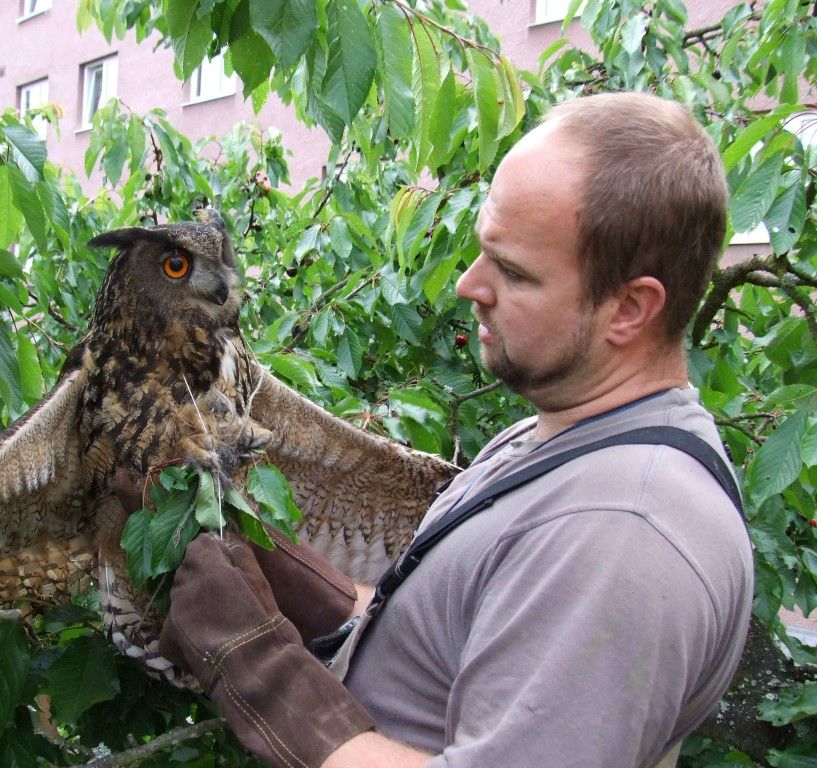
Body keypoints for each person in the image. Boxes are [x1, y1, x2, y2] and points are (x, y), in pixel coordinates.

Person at [153, 91, 754, 768]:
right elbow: (456, 635)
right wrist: (302, 587)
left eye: (514, 272)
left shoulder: (617, 533)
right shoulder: (565, 436)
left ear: (630, 308)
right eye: (481, 252)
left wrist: (252, 662)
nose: (469, 284)